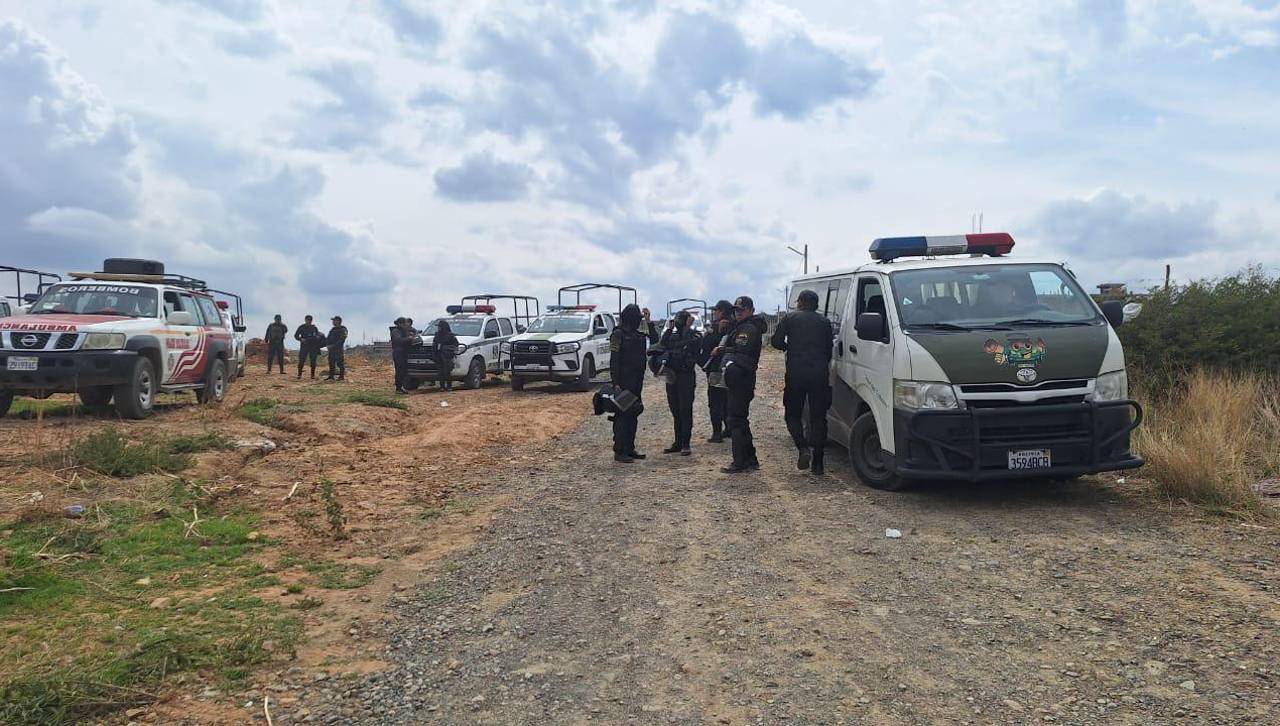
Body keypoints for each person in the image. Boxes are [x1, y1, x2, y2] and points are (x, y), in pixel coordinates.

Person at [770, 290, 835, 474]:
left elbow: (775, 342)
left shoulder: (790, 319)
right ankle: (818, 463)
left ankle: (803, 449)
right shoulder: (825, 322)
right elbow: (829, 350)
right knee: (818, 418)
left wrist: (788, 347)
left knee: (792, 415)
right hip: (819, 374)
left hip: (796, 373)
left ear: (801, 302)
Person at [715, 296, 767, 474]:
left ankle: (739, 461)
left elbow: (741, 350)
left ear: (751, 310)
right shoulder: (740, 327)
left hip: (742, 378)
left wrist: (724, 350)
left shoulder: (749, 329)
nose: (738, 313)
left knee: (735, 420)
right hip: (739, 378)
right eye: (736, 310)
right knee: (740, 420)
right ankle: (750, 459)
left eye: (741, 310)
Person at [608, 304, 658, 463]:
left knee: (634, 412)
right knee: (622, 416)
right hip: (623, 382)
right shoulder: (618, 334)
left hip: (637, 381)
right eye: (637, 319)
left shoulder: (638, 335)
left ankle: (630, 448)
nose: (638, 322)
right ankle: (620, 451)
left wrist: (649, 322)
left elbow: (656, 342)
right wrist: (615, 382)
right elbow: (614, 360)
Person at [659, 310, 702, 455]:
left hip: (686, 376)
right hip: (672, 376)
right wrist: (669, 330)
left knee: (685, 409)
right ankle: (677, 442)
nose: (677, 321)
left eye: (680, 319)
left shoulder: (694, 336)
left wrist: (687, 328)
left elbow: (693, 347)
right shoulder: (671, 335)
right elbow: (660, 346)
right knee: (675, 410)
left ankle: (685, 443)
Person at [700, 300, 734, 443]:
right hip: (730, 369)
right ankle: (728, 429)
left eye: (717, 311)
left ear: (722, 312)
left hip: (716, 369)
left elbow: (706, 345)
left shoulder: (718, 327)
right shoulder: (736, 326)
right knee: (726, 399)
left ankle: (717, 433)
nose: (715, 313)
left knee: (715, 401)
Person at [294, 314, 323, 379]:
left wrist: (317, 338)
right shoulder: (301, 327)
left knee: (313, 361)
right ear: (305, 320)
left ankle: (312, 375)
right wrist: (301, 339)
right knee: (301, 360)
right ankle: (299, 374)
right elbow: (296, 335)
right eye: (307, 320)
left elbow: (318, 336)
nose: (309, 321)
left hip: (313, 346)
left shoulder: (314, 328)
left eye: (310, 320)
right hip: (304, 346)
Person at [433, 320, 460, 392]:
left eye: (439, 326)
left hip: (447, 355)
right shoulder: (437, 335)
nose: (438, 328)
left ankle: (449, 386)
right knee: (440, 372)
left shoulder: (450, 335)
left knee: (447, 372)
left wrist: (448, 349)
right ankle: (442, 387)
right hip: (439, 355)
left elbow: (456, 344)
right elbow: (434, 344)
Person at [390, 317, 413, 394]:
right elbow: (398, 340)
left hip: (404, 353)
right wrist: (408, 338)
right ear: (400, 324)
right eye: (404, 323)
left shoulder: (404, 331)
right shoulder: (395, 331)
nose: (406, 325)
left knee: (404, 371)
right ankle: (398, 388)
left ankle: (402, 387)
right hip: (398, 353)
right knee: (399, 371)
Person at [325, 316, 347, 381]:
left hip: (338, 349)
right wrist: (327, 345)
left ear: (338, 321)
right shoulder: (332, 329)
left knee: (340, 363)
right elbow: (328, 338)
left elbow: (342, 339)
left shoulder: (343, 329)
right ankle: (331, 376)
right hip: (331, 350)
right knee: (331, 363)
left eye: (334, 320)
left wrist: (333, 345)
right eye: (333, 321)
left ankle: (341, 377)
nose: (333, 322)